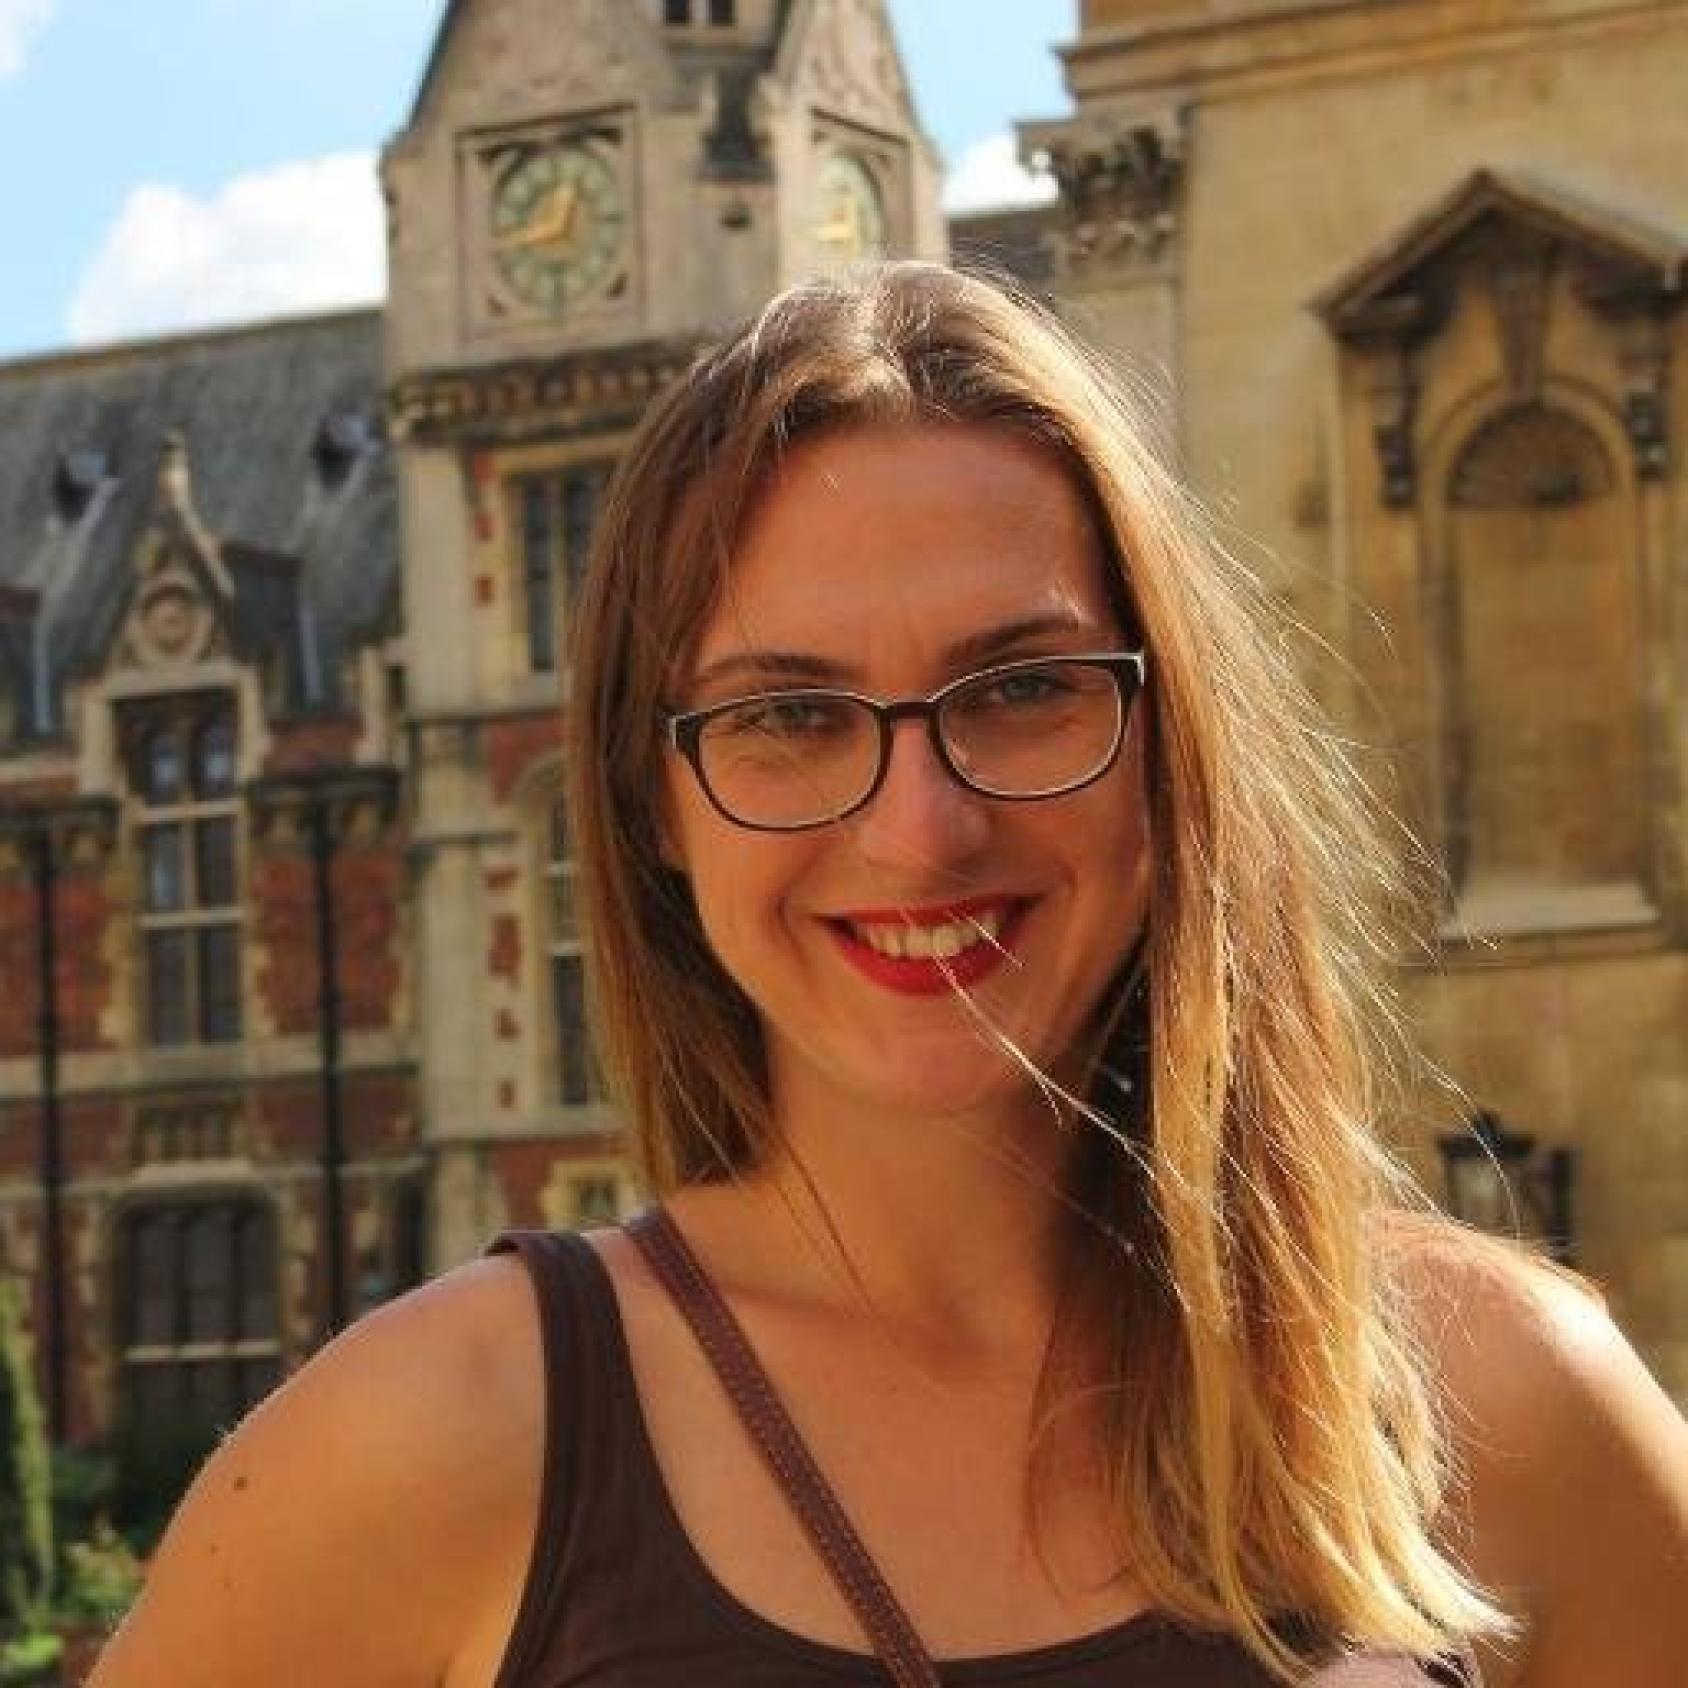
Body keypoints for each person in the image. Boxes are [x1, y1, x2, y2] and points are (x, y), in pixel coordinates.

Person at [91, 262, 1688, 1688]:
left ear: (1170, 741)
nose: (920, 831)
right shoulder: (430, 1446)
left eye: (1025, 689)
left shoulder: (1504, 1399)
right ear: (654, 805)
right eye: (787, 717)